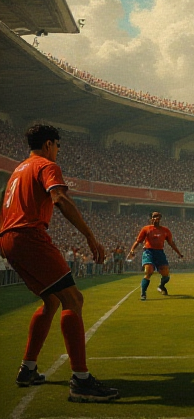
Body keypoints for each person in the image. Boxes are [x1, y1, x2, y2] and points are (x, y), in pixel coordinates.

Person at [0, 124, 119, 401]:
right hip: (29, 235)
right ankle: (80, 380)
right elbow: (60, 198)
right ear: (50, 144)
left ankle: (27, 368)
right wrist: (90, 236)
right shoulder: (46, 165)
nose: (57, 152)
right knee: (73, 300)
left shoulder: (18, 170)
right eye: (57, 147)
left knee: (52, 300)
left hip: (9, 238)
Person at [128, 211, 183, 301]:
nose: (156, 218)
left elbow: (171, 243)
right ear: (151, 218)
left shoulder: (165, 230)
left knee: (166, 275)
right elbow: (138, 241)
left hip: (160, 253)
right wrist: (132, 250)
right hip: (149, 252)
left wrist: (179, 253)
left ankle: (161, 286)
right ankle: (143, 293)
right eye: (154, 216)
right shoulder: (146, 229)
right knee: (148, 271)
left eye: (158, 216)